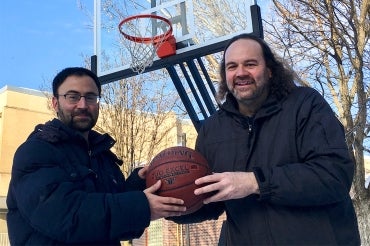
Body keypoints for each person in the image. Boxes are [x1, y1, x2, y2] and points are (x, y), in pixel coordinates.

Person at [168, 33, 361, 245]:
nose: (240, 73)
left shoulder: (306, 104)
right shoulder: (212, 129)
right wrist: (169, 203)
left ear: (270, 71)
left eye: (250, 64)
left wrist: (255, 182)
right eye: (232, 67)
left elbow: (333, 175)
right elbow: (210, 199)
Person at [6, 67, 186, 245]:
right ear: (55, 103)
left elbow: (122, 227)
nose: (83, 105)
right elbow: (66, 216)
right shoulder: (36, 151)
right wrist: (141, 206)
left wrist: (138, 184)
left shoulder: (104, 158)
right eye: (73, 97)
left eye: (91, 97)